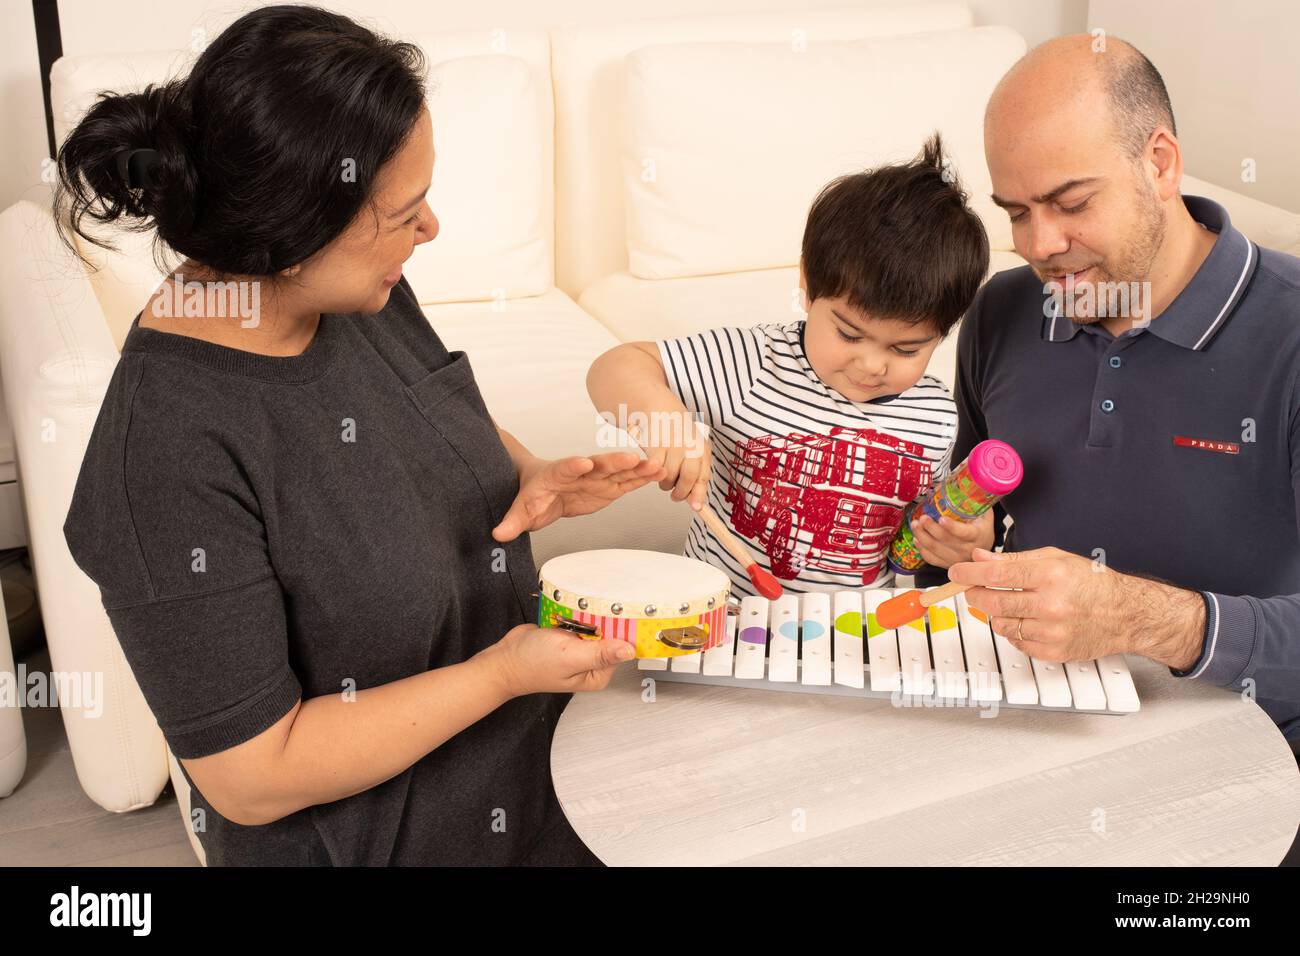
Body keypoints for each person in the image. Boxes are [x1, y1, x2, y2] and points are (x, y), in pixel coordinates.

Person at [54, 4, 664, 866]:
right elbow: (252, 775)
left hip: (553, 770)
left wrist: (525, 473)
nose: (431, 228)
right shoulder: (166, 459)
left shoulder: (352, 293)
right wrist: (499, 673)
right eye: (405, 209)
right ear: (293, 233)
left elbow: (412, 404)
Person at [914, 35, 1300, 862]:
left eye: (1069, 202)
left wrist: (1145, 618)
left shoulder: (1291, 338)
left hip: (1247, 767)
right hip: (1028, 739)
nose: (1037, 243)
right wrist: (948, 544)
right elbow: (951, 533)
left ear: (1159, 162)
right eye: (1015, 210)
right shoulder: (1004, 312)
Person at [587, 134, 990, 594]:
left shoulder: (936, 415)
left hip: (852, 633)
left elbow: (916, 537)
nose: (871, 364)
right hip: (724, 616)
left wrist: (960, 540)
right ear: (806, 283)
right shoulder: (753, 362)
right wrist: (662, 421)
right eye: (848, 333)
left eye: (906, 350)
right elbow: (616, 366)